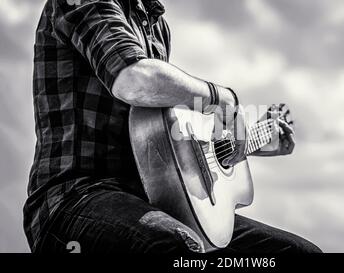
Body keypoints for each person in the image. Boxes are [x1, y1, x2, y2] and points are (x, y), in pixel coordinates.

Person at [24, 0, 322, 254]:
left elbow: (158, 135)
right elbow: (133, 79)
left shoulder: (156, 23)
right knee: (177, 248)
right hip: (73, 201)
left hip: (153, 202)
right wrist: (223, 100)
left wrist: (245, 144)